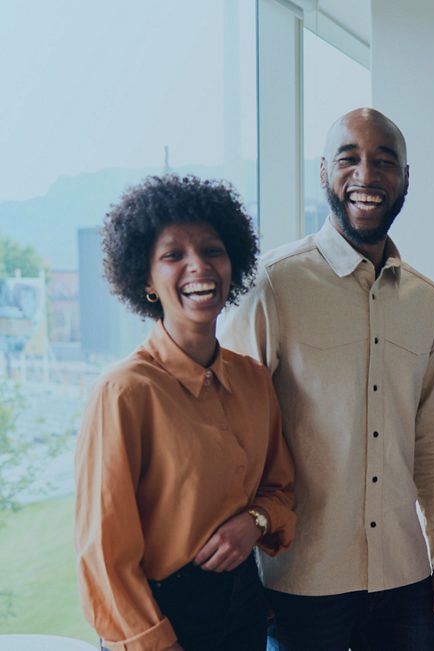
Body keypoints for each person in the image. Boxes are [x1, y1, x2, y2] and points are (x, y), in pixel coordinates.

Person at [219, 108, 434, 650]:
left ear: (405, 178)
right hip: (301, 577)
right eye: (349, 159)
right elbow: (233, 433)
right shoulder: (274, 286)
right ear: (323, 171)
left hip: (404, 576)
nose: (367, 175)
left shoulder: (425, 302)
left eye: (385, 161)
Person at [75, 174, 296, 651]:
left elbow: (281, 490)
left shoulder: (255, 380)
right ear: (146, 279)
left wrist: (253, 522)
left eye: (213, 250)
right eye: (173, 255)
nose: (199, 266)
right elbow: (104, 557)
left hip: (244, 610)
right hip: (162, 621)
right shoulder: (123, 392)